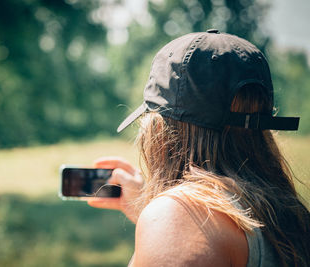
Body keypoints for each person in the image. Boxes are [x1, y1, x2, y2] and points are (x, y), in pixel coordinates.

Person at [88, 29, 310, 267]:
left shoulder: (180, 216)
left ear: (160, 132)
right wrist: (146, 210)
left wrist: (163, 218)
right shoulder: (292, 218)